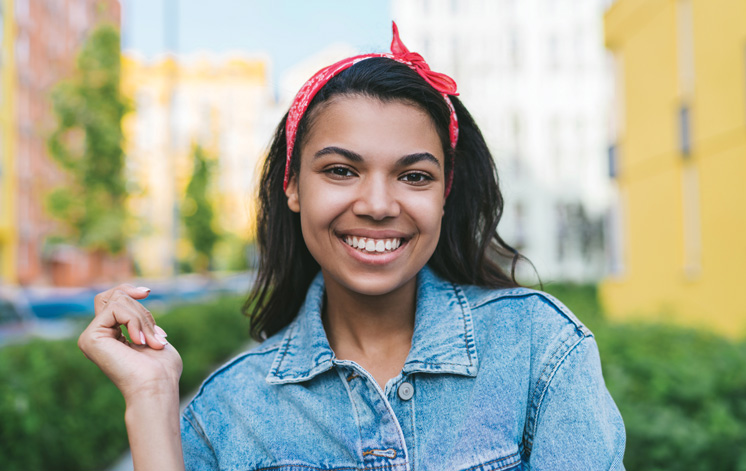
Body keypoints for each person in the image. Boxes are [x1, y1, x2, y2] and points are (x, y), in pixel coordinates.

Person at [78, 23, 626, 471]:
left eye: (414, 177)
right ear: (292, 186)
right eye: (341, 170)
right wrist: (150, 400)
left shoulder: (539, 350)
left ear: (445, 193)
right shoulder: (228, 411)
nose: (379, 203)